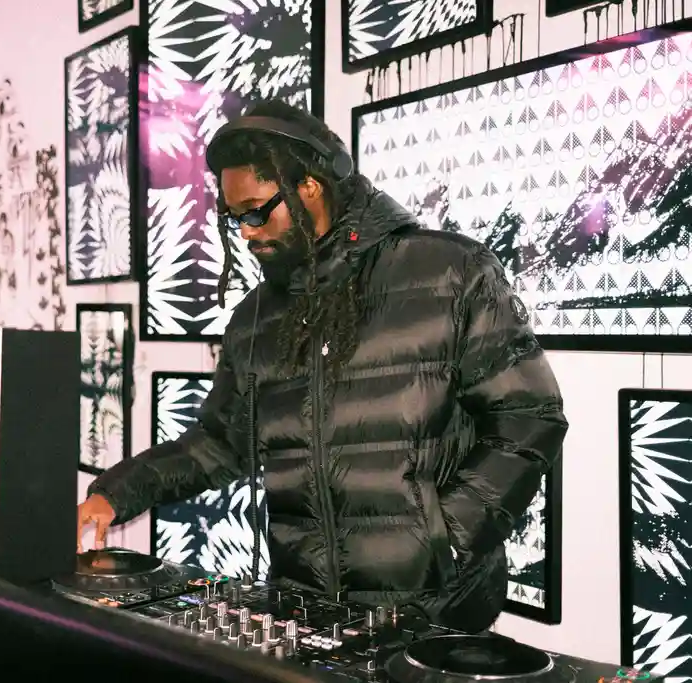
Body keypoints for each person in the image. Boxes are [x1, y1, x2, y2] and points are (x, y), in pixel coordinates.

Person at [76, 100, 568, 633]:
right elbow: (220, 444)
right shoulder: (257, 318)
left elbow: (528, 416)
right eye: (235, 218)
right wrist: (116, 493)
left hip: (437, 614)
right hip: (306, 610)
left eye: (255, 211)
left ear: (308, 187)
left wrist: (446, 534)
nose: (245, 232)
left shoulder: (451, 272)